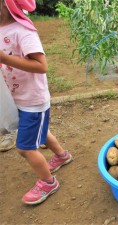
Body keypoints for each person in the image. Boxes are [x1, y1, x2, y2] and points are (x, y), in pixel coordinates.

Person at [0, 0, 73, 205]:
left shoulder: (23, 31)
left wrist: (5, 58)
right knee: (40, 131)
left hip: (32, 100)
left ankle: (48, 182)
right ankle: (62, 155)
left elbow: (41, 66)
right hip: (16, 97)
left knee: (25, 147)